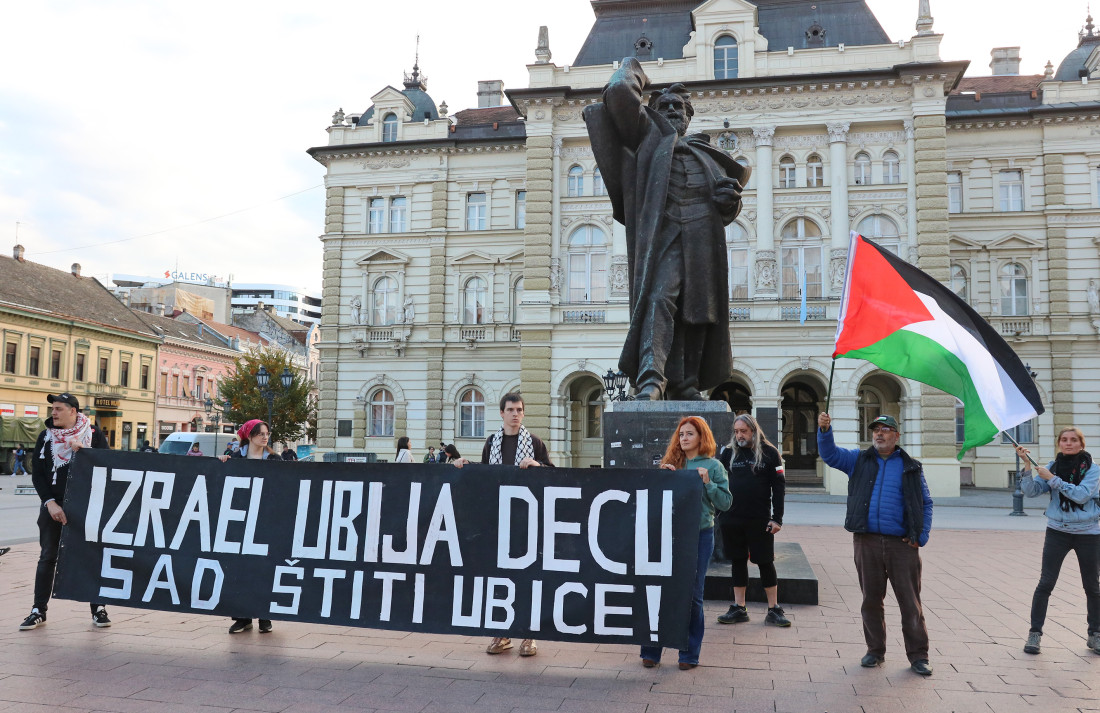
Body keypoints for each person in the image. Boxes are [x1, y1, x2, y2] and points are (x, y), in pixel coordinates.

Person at [584, 57, 745, 400]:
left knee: (699, 311)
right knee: (659, 299)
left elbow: (728, 207)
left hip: (702, 235)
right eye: (665, 106)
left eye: (679, 107)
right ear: (655, 112)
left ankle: (684, 382)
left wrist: (729, 201)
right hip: (664, 232)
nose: (673, 111)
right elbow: (618, 91)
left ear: (689, 117)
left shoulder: (710, 156)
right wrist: (633, 66)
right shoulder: (648, 137)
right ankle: (652, 379)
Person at [817, 412, 934, 676]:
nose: (879, 433)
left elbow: (926, 503)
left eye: (886, 429)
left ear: (896, 435)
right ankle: (875, 651)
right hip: (866, 541)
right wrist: (825, 431)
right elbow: (831, 455)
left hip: (902, 544)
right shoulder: (859, 459)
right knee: (871, 600)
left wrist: (921, 536)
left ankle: (918, 656)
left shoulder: (911, 466)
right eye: (876, 430)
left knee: (910, 602)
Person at [454, 393, 554, 656]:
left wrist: (537, 464)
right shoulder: (492, 442)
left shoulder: (534, 442)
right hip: (498, 521)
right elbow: (485, 475)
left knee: (528, 578)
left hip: (527, 521)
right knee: (499, 578)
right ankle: (501, 634)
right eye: (510, 410)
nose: (515, 414)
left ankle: (529, 636)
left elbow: (554, 476)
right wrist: (464, 465)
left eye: (519, 410)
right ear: (501, 413)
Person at [640, 416, 731, 670]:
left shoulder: (713, 466)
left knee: (693, 596)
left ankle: (689, 654)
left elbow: (725, 503)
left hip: (699, 535)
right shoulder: (671, 464)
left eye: (690, 434)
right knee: (658, 590)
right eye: (681, 435)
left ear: (702, 437)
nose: (684, 438)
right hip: (667, 535)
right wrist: (662, 479)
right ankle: (651, 650)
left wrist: (708, 483)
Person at [20, 393, 112, 631]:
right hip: (53, 506)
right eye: (53, 408)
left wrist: (84, 454)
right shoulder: (46, 437)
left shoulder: (93, 435)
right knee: (47, 557)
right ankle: (38, 610)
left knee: (90, 556)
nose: (53, 412)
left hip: (86, 506)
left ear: (73, 411)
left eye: (59, 409)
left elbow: (107, 466)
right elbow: (38, 473)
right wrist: (50, 502)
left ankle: (98, 608)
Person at [1015, 429, 1100, 655]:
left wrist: (1052, 479)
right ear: (1059, 443)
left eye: (1073, 440)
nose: (1068, 443)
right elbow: (1031, 492)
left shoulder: (1093, 469)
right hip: (1057, 532)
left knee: (1092, 586)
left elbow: (1081, 495)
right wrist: (1026, 466)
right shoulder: (1053, 465)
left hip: (1089, 534)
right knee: (1045, 583)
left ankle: (1095, 634)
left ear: (1081, 444)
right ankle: (1035, 634)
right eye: (1064, 440)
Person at [716, 414, 790, 627]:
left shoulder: (770, 453)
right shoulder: (728, 453)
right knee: (737, 561)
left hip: (759, 519)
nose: (739, 435)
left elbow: (779, 488)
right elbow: (720, 482)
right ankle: (739, 608)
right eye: (736, 431)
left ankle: (774, 609)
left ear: (753, 431)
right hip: (731, 519)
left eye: (744, 431)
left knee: (765, 562)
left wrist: (777, 519)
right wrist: (720, 513)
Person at [218, 419, 275, 634]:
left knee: (263, 569)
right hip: (239, 522)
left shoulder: (274, 459)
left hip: (264, 521)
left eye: (267, 433)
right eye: (260, 433)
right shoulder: (234, 458)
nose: (265, 437)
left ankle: (264, 617)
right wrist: (221, 462)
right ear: (249, 436)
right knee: (239, 569)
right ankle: (242, 617)